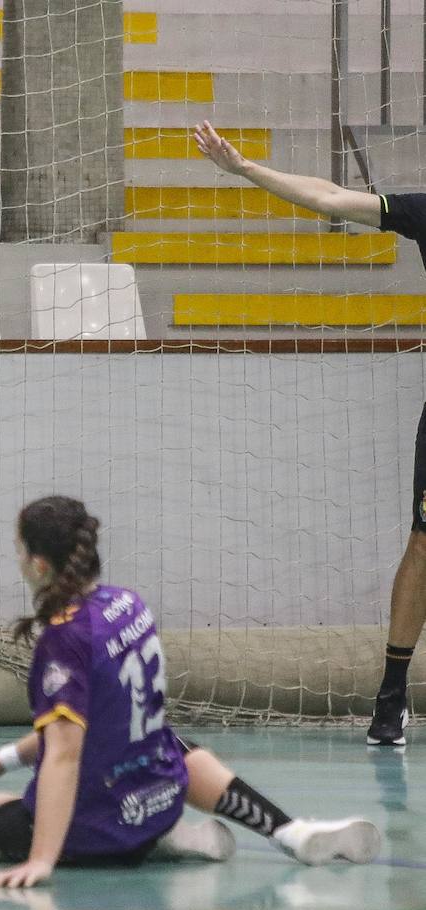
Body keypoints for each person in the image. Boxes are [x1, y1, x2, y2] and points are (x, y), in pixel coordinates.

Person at [0, 496, 382, 888]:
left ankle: (147, 845)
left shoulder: (64, 641)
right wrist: (2, 760)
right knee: (169, 740)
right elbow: (103, 715)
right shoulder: (129, 605)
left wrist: (42, 859)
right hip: (161, 797)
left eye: (19, 550)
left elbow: (63, 755)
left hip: (101, 825)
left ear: (39, 564)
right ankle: (287, 830)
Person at [194, 120, 422, 746]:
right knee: (425, 545)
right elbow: (328, 197)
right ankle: (391, 696)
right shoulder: (423, 212)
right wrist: (245, 170)